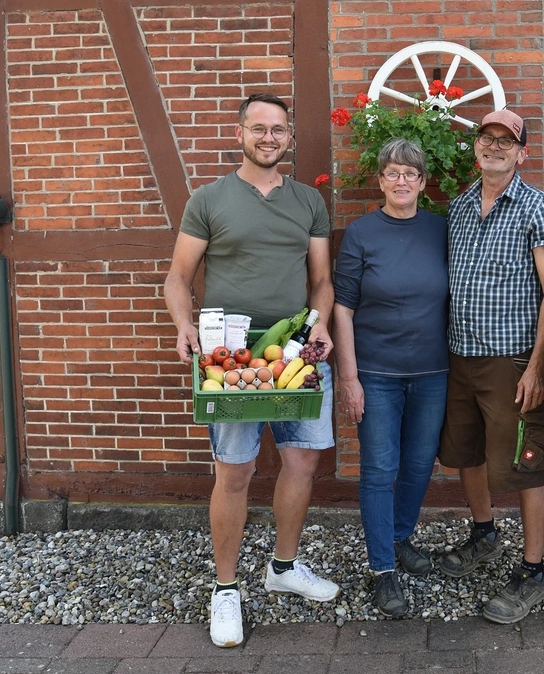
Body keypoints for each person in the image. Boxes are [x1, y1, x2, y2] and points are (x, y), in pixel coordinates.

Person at [163, 92, 339, 648]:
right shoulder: (209, 199)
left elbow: (321, 280)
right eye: (259, 128)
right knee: (234, 472)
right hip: (230, 355)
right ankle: (226, 588)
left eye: (279, 129)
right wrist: (182, 324)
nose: (269, 138)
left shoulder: (308, 201)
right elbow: (177, 276)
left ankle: (283, 568)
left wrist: (321, 323)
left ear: (290, 137)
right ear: (240, 134)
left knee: (302, 462)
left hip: (293, 353)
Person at [438, 109, 544, 624]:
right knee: (466, 453)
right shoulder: (460, 206)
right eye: (486, 138)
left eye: (505, 140)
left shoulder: (539, 208)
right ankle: (483, 533)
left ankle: (533, 570)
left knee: (525, 461)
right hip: (459, 356)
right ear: (477, 147)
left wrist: (537, 366)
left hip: (512, 359)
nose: (494, 146)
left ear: (522, 152)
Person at [332, 138, 449, 618]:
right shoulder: (361, 233)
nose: (401, 181)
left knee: (419, 466)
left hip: (433, 372)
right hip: (376, 374)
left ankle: (400, 539)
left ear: (423, 182)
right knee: (380, 471)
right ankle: (382, 570)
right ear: (380, 180)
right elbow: (342, 308)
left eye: (411, 173)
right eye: (392, 173)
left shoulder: (441, 230)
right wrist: (350, 376)